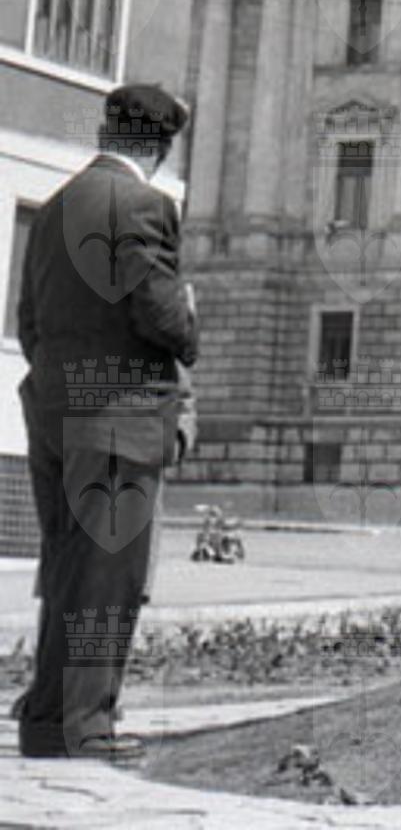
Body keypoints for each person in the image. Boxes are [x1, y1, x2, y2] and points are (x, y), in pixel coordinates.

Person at [15, 84, 197, 760]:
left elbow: (29, 322)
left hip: (53, 410)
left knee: (68, 567)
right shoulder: (146, 206)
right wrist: (191, 319)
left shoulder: (56, 205)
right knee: (107, 578)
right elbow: (162, 316)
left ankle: (47, 720)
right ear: (161, 147)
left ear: (106, 133)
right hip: (121, 415)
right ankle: (83, 727)